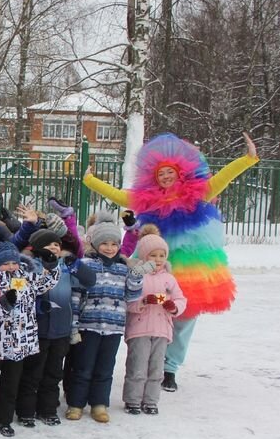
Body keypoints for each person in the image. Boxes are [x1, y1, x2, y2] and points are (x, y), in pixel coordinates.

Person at [82, 132, 258, 391]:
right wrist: (89, 180)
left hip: (190, 266)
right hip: (153, 262)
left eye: (169, 172)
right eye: (160, 174)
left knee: (184, 315)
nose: (165, 177)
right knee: (147, 309)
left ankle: (170, 367)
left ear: (180, 173)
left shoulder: (199, 193)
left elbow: (223, 178)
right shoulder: (146, 200)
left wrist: (247, 159)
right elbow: (119, 196)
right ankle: (143, 362)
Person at [0, 239, 59, 438]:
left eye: (13, 262)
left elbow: (46, 283)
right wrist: (4, 307)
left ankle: (3, 420)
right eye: (5, 263)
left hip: (19, 344)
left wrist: (52, 266)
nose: (10, 266)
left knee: (10, 386)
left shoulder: (25, 277)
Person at [64, 211, 144, 424]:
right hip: (88, 326)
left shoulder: (123, 268)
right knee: (83, 367)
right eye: (105, 243)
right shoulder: (86, 265)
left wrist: (136, 277)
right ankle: (76, 403)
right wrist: (74, 327)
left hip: (113, 327)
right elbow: (76, 296)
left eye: (114, 244)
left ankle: (99, 404)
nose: (110, 248)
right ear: (96, 244)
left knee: (105, 368)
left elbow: (132, 295)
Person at [15, 229, 96, 427]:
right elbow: (19, 294)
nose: (54, 247)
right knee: (33, 372)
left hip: (60, 330)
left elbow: (89, 281)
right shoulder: (28, 268)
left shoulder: (66, 268)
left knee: (53, 373)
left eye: (57, 245)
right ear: (36, 249)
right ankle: (26, 410)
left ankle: (48, 409)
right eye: (48, 244)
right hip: (36, 331)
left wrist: (75, 263)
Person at [123, 226, 186, 415]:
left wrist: (173, 306)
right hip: (139, 328)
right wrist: (141, 303)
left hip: (162, 329)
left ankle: (151, 400)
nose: (158, 260)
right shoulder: (136, 275)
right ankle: (133, 400)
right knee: (137, 366)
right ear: (143, 256)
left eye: (161, 255)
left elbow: (181, 299)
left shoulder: (169, 279)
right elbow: (127, 299)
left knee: (156, 368)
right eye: (153, 256)